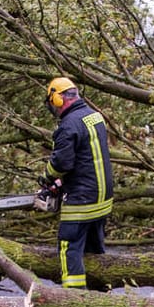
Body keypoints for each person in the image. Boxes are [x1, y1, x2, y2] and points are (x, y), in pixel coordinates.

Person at [43, 76, 113, 291]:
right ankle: (100, 294)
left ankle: (75, 300)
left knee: (68, 246)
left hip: (82, 200)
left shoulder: (68, 125)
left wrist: (47, 177)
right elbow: (86, 158)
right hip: (103, 198)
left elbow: (62, 162)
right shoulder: (95, 116)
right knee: (92, 249)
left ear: (57, 99)